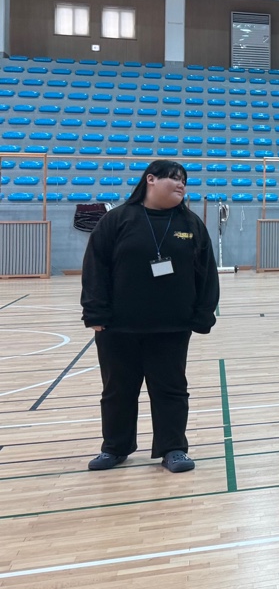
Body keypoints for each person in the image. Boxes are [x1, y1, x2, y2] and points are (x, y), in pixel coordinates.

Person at [80, 160, 219, 473]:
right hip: (118, 327)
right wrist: (95, 312)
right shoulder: (117, 220)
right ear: (150, 180)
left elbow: (207, 273)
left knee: (171, 389)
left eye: (184, 180)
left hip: (171, 327)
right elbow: (95, 267)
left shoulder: (191, 224)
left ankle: (173, 449)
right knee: (117, 391)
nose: (181, 184)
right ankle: (115, 448)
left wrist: (203, 314)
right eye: (174, 178)